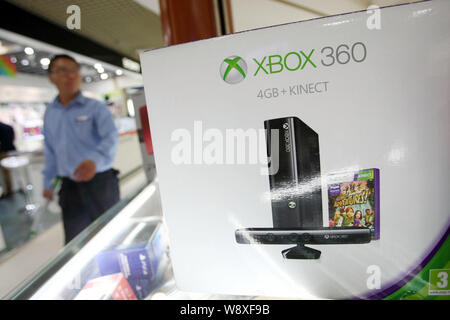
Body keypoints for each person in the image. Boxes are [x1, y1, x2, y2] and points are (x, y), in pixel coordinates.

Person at [42, 54, 120, 244]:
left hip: (100, 183)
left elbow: (110, 137)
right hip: (70, 188)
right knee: (75, 242)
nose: (70, 76)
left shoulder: (96, 108)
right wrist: (48, 183)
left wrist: (94, 160)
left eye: (74, 71)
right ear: (51, 77)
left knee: (111, 236)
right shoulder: (50, 113)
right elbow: (51, 151)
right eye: (62, 71)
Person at [0, 122, 16, 197]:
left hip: (3, 152)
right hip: (9, 151)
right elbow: (13, 138)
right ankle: (10, 190)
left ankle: (7, 191)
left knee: (6, 173)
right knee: (8, 173)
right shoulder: (8, 127)